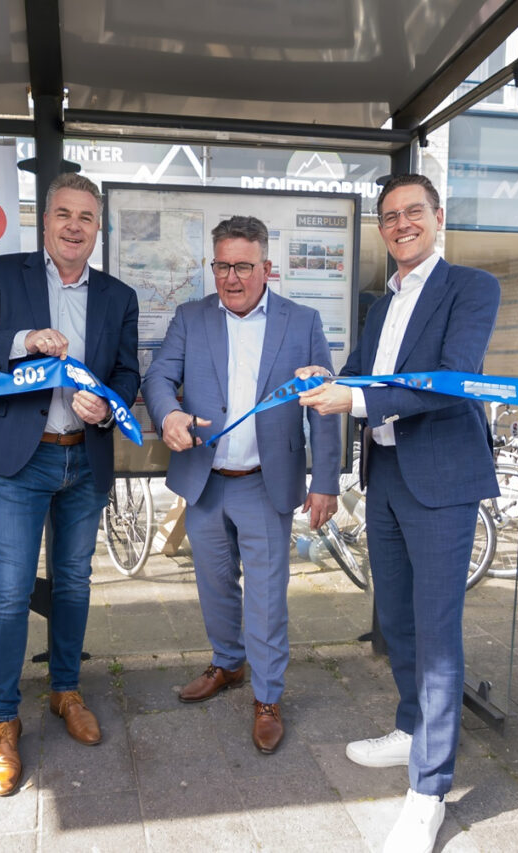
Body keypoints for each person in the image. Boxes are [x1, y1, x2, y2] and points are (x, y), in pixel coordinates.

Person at [297, 174, 500, 852]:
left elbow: (452, 379)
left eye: (415, 211)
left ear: (438, 218)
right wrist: (328, 381)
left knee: (437, 633)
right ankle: (413, 729)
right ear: (380, 228)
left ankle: (429, 790)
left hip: (441, 481)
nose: (402, 223)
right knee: (397, 619)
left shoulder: (471, 288)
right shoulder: (381, 304)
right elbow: (361, 372)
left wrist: (352, 401)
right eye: (389, 216)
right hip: (384, 478)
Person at [0, 173, 139, 797]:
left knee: (75, 583)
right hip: (22, 461)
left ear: (98, 227)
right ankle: (3, 721)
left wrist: (106, 408)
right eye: (64, 214)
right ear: (45, 219)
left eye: (86, 217)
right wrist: (23, 340)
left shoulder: (119, 295)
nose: (74, 226)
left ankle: (65, 691)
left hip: (84, 459)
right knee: (9, 592)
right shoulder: (6, 275)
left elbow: (128, 372)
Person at [143, 215, 340, 754]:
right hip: (205, 480)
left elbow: (323, 404)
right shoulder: (190, 317)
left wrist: (326, 481)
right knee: (214, 586)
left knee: (268, 597)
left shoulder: (302, 322)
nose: (231, 278)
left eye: (244, 267)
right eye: (222, 266)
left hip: (265, 484)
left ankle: (268, 696)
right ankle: (228, 663)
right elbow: (159, 376)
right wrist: (169, 414)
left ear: (266, 267)